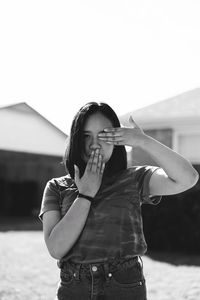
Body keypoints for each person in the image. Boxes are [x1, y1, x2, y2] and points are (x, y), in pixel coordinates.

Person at [39, 102, 198, 300]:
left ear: (117, 139)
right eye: (86, 136)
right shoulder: (56, 187)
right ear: (75, 139)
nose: (94, 144)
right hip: (74, 288)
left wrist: (143, 141)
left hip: (125, 285)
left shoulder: (135, 178)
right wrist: (86, 194)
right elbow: (56, 248)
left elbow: (188, 178)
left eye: (104, 135)